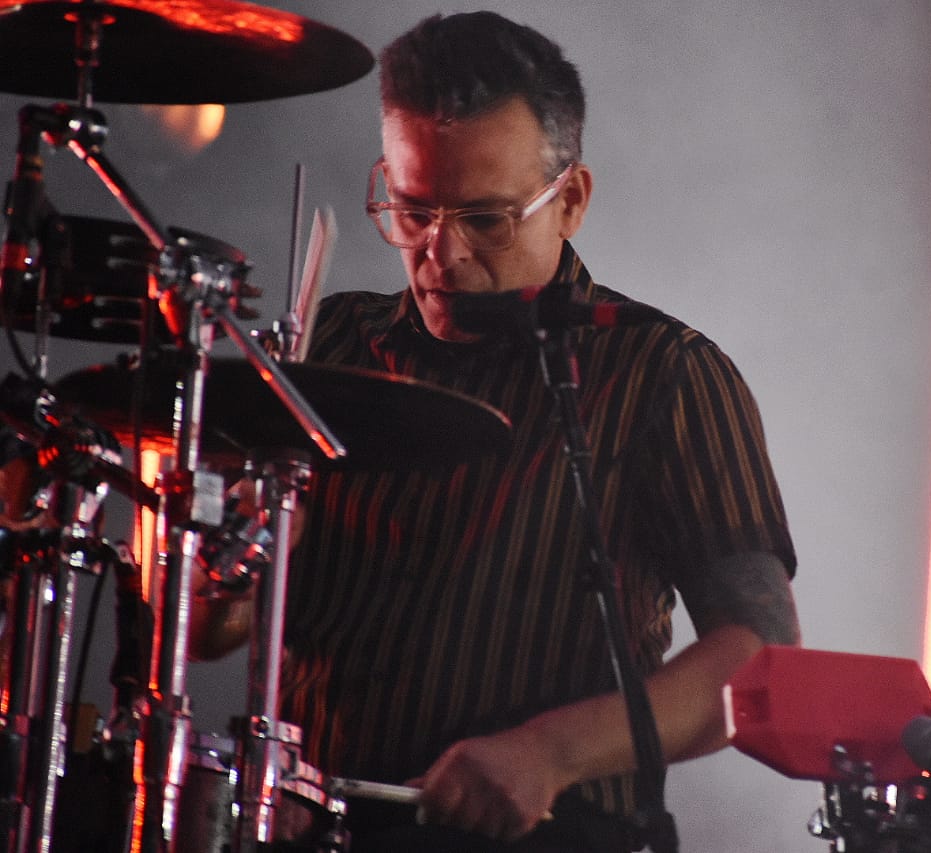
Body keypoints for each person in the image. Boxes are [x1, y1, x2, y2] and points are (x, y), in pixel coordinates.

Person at [193, 11, 799, 852]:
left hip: (550, 831)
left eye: (485, 220)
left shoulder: (664, 372)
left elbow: (759, 659)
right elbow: (208, 634)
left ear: (570, 200)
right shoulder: (324, 346)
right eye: (413, 211)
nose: (441, 254)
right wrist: (224, 569)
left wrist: (549, 752)